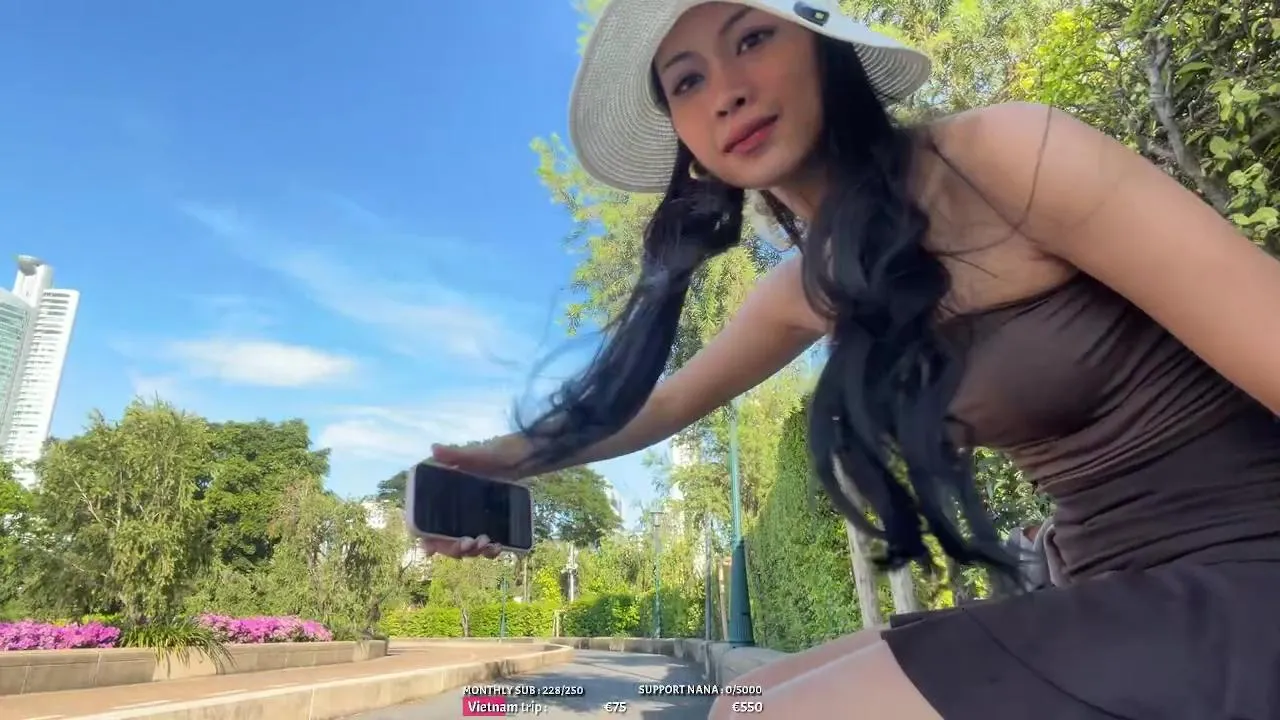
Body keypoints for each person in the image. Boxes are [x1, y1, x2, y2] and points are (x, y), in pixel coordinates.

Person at [424, 0, 1280, 716]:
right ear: (683, 132)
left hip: (1245, 567)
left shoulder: (1006, 157)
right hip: (1102, 586)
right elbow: (662, 405)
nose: (727, 92)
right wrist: (505, 462)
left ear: (824, 47)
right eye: (687, 81)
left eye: (752, 39)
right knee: (743, 702)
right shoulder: (810, 288)